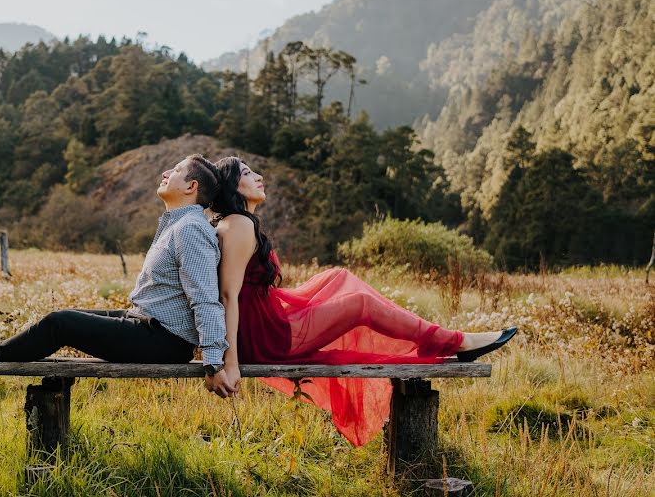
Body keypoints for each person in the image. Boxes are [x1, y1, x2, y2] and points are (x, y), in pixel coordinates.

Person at [210, 156, 517, 446]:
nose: (259, 176)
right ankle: (454, 341)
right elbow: (228, 295)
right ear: (231, 186)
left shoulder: (240, 222)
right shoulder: (239, 224)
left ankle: (438, 339)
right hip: (263, 337)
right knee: (360, 304)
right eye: (247, 173)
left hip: (262, 323)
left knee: (337, 277)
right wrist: (231, 364)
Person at [0, 154, 239, 398]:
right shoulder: (178, 224)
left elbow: (206, 299)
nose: (166, 172)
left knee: (61, 322)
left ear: (191, 187)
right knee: (63, 320)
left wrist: (213, 362)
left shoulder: (191, 229)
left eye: (177, 171)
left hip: (164, 341)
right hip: (146, 324)